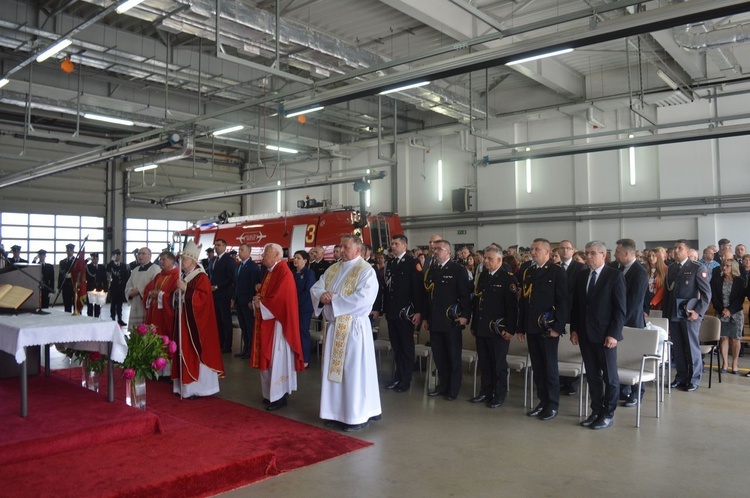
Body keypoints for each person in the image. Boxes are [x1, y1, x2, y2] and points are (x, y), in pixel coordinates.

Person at [311, 235, 382, 432]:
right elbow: (317, 287)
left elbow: (363, 299)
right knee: (334, 373)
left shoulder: (366, 271)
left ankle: (356, 415)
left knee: (352, 372)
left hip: (353, 330)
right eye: (341, 247)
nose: (341, 250)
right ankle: (334, 412)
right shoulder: (333, 268)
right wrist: (322, 296)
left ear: (358, 250)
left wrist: (334, 299)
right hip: (334, 328)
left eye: (346, 247)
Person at [570, 241, 626, 430]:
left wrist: (614, 334)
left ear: (603, 255)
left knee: (610, 378)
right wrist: (574, 330)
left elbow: (620, 309)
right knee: (592, 376)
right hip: (586, 334)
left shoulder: (614, 276)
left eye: (593, 253)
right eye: (586, 253)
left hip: (605, 336)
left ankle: (608, 414)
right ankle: (596, 410)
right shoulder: (582, 275)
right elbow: (577, 306)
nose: (588, 257)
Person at [517, 238, 568, 421]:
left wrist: (557, 327)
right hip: (531, 327)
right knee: (537, 367)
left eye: (536, 249)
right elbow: (524, 301)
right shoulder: (528, 271)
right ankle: (542, 402)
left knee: (549, 367)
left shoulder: (556, 271)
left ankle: (552, 405)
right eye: (531, 249)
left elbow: (563, 302)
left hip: (548, 328)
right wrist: (521, 327)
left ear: (547, 252)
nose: (533, 252)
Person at [251, 243, 305, 411]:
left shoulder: (283, 272)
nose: (263, 257)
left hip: (279, 325)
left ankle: (279, 396)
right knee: (270, 358)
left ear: (276, 255)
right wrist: (258, 299)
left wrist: (262, 303)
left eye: (266, 253)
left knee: (277, 359)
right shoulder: (270, 271)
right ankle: (270, 394)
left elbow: (281, 299)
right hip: (268, 321)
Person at [173, 240, 225, 397]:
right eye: (180, 260)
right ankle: (184, 387)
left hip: (196, 324)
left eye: (185, 260)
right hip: (184, 320)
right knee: (183, 350)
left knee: (194, 351)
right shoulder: (184, 275)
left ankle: (199, 388)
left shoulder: (201, 277)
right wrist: (176, 294)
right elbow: (177, 297)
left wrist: (185, 289)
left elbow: (202, 299)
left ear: (193, 261)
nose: (181, 262)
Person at [423, 239, 472, 401]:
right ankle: (442, 385)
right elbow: (428, 298)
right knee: (439, 356)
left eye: (439, 249)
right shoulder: (432, 271)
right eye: (434, 248)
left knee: (453, 356)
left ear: (448, 252)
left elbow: (465, 296)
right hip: (435, 321)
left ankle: (453, 388)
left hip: (451, 320)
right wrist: (426, 318)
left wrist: (465, 316)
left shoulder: (458, 270)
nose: (435, 251)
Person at [470, 246, 518, 408]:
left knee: (498, 364)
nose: (485, 261)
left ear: (499, 260)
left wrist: (510, 329)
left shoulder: (507, 279)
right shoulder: (483, 276)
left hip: (498, 330)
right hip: (482, 327)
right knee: (485, 363)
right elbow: (478, 303)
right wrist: (474, 324)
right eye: (485, 258)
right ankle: (485, 392)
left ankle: (499, 394)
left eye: (490, 258)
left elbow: (512, 308)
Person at [665, 239, 711, 392]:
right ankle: (681, 377)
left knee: (691, 347)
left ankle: (694, 379)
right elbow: (668, 293)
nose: (676, 250)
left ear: (687, 251)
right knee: (677, 347)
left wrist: (698, 312)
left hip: (690, 313)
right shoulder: (671, 268)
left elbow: (706, 294)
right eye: (675, 248)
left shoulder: (697, 267)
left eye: (680, 248)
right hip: (674, 313)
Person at [383, 234, 424, 393]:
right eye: (392, 243)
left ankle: (405, 380)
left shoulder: (412, 263)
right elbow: (388, 289)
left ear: (405, 246)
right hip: (393, 311)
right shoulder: (391, 263)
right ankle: (397, 376)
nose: (393, 246)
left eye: (396, 244)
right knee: (397, 347)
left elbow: (418, 290)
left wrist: (418, 311)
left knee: (406, 348)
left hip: (405, 312)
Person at [614, 238, 649, 407]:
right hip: (620, 321)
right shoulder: (619, 269)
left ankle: (637, 393)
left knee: (633, 358)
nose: (614, 255)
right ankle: (622, 390)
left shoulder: (640, 271)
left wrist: (620, 321)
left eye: (617, 252)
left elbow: (634, 301)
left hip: (632, 322)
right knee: (620, 357)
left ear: (627, 253)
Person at [558, 239, 585, 397]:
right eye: (562, 248)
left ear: (573, 250)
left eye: (568, 248)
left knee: (573, 347)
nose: (565, 251)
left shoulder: (580, 268)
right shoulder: (554, 268)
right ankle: (561, 380)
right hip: (559, 313)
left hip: (574, 312)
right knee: (561, 348)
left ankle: (573, 382)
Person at [711, 259, 744, 374]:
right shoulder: (716, 280)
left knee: (735, 339)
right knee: (723, 337)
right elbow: (714, 297)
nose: (724, 268)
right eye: (723, 266)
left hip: (736, 313)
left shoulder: (740, 281)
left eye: (727, 266)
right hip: (721, 312)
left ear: (733, 268)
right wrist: (722, 310)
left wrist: (730, 310)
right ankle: (725, 363)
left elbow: (740, 299)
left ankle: (735, 363)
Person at [143, 251, 180, 340]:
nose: (161, 261)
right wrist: (150, 294)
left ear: (172, 261)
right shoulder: (158, 276)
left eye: (164, 259)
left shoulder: (177, 276)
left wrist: (160, 295)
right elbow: (147, 289)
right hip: (154, 314)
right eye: (160, 259)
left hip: (165, 316)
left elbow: (174, 298)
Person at [209, 239, 236, 353]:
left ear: (225, 247)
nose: (216, 247)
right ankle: (219, 342)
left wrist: (217, 287)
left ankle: (227, 345)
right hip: (214, 295)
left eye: (219, 245)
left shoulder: (228, 260)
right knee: (217, 320)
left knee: (226, 320)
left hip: (224, 293)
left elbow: (231, 278)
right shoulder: (213, 260)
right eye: (215, 245)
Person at [234, 243, 261, 360]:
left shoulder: (253, 267)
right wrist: (233, 298)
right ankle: (245, 349)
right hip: (239, 300)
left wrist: (251, 300)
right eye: (239, 249)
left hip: (247, 301)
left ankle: (250, 350)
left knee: (249, 326)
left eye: (242, 250)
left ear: (249, 252)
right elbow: (235, 284)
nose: (239, 252)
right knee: (243, 326)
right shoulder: (239, 266)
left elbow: (253, 285)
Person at [124, 247, 160, 328]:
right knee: (135, 333)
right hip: (135, 303)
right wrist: (130, 292)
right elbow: (128, 285)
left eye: (143, 254)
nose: (140, 256)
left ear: (150, 256)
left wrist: (139, 291)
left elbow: (156, 286)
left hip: (147, 305)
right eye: (139, 254)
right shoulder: (135, 270)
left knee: (146, 331)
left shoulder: (155, 269)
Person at [292, 249, 316, 366]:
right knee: (293, 332)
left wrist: (296, 303)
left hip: (304, 307)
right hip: (292, 308)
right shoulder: (291, 273)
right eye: (294, 258)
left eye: (298, 258)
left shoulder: (309, 274)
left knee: (303, 332)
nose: (295, 260)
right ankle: (295, 357)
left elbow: (308, 291)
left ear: (305, 261)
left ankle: (305, 359)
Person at [106, 249, 130, 326]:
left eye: (119, 255)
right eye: (116, 255)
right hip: (114, 287)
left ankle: (120, 319)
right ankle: (113, 318)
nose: (118, 257)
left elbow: (126, 276)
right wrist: (111, 261)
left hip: (121, 287)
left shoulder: (123, 265)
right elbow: (107, 269)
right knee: (113, 303)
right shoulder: (111, 265)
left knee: (120, 304)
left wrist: (126, 286)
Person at [85, 253, 107, 318]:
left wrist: (106, 289)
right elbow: (80, 266)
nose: (95, 260)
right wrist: (86, 260)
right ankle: (90, 318)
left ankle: (97, 318)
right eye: (93, 258)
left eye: (96, 258)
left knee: (98, 305)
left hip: (99, 288)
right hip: (90, 288)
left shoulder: (101, 267)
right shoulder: (88, 267)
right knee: (90, 305)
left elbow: (104, 279)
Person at [58, 243, 76, 312]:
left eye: (70, 250)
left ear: (73, 251)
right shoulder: (62, 262)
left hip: (74, 286)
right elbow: (60, 275)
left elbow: (80, 273)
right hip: (65, 286)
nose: (69, 252)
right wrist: (59, 287)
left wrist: (72, 275)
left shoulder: (76, 261)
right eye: (68, 250)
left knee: (76, 305)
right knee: (67, 305)